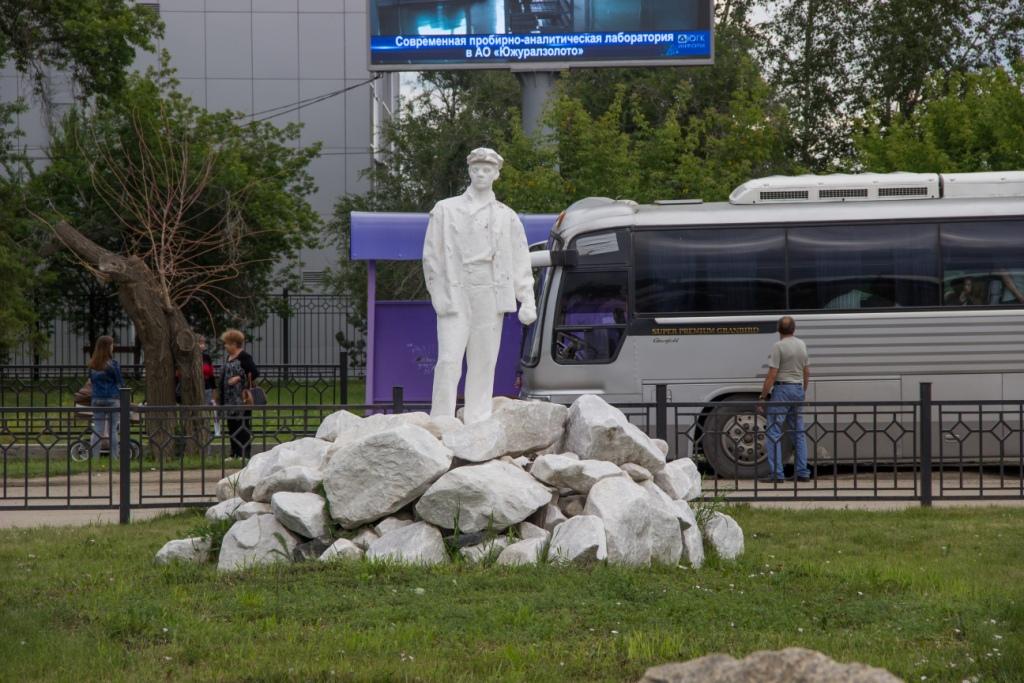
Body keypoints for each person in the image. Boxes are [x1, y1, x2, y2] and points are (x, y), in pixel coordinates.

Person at [422, 147, 537, 424]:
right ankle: (441, 419)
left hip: (490, 289)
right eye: (476, 169)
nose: (481, 174)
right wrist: (439, 295)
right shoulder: (445, 210)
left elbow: (520, 260)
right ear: (469, 172)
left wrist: (527, 298)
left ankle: (478, 419)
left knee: (483, 361)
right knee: (449, 359)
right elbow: (432, 257)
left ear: (496, 174)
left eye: (487, 170)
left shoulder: (506, 216)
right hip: (456, 289)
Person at [758, 316, 812, 484]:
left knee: (774, 431)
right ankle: (802, 472)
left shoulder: (778, 347)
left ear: (779, 330)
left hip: (782, 390)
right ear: (794, 329)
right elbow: (806, 371)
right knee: (798, 432)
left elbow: (772, 375)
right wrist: (802, 390)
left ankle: (777, 474)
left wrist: (762, 396)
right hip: (797, 388)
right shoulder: (801, 345)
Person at [219, 329, 258, 460]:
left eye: (227, 343)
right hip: (229, 399)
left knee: (243, 425)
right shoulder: (229, 357)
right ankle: (234, 453)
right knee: (232, 426)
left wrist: (239, 378)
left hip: (241, 399)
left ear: (234, 344)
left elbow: (254, 372)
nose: (225, 346)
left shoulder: (244, 357)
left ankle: (244, 454)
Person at [87, 335, 125, 458]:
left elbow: (92, 381)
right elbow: (120, 382)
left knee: (97, 429)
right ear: (108, 347)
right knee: (113, 429)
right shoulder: (113, 365)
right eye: (112, 345)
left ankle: (94, 458)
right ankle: (114, 458)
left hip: (97, 399)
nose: (113, 347)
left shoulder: (92, 364)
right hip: (112, 399)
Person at [199, 335, 221, 437]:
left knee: (207, 409)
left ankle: (207, 431)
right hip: (195, 388)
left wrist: (214, 389)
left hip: (207, 386)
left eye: (203, 343)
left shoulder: (206, 357)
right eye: (200, 342)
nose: (202, 345)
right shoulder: (190, 357)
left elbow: (211, 374)